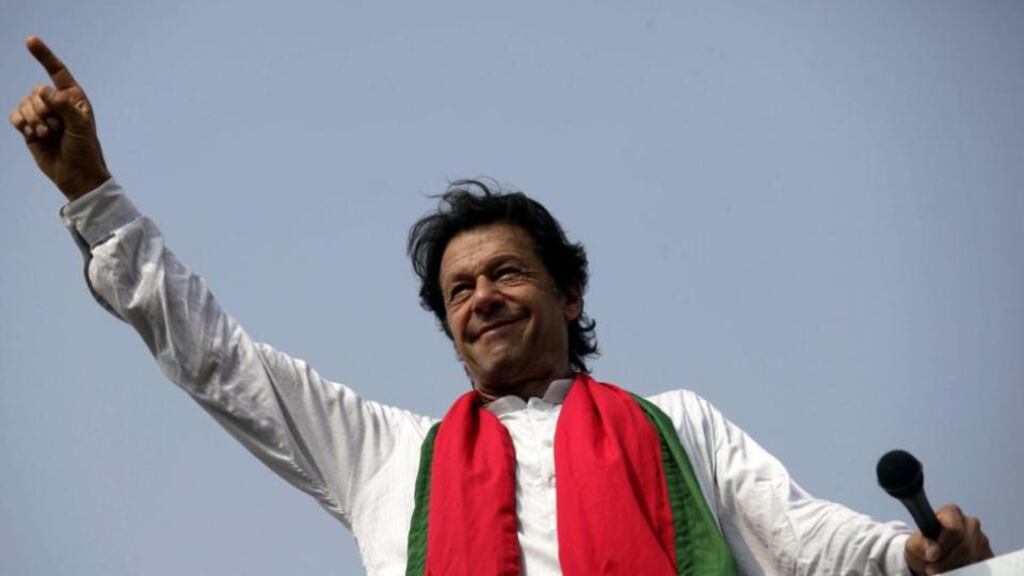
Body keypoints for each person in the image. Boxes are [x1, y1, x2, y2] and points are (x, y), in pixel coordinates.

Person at [10, 36, 994, 576]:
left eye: (507, 275)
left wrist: (907, 552)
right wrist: (94, 195)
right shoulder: (388, 458)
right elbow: (215, 358)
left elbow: (799, 534)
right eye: (458, 292)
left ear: (568, 290)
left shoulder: (679, 426)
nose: (481, 298)